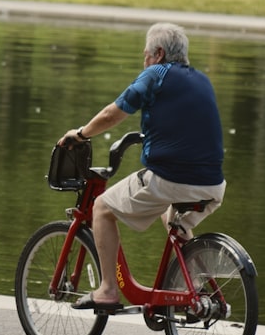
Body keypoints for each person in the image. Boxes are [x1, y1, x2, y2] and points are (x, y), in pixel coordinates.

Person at [58, 23, 226, 311]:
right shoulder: (201, 80)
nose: (144, 61)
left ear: (158, 54)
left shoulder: (156, 74)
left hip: (172, 179)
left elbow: (113, 114)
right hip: (213, 185)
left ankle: (108, 290)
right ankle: (193, 290)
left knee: (101, 207)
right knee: (174, 220)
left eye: (146, 55)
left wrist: (82, 133)